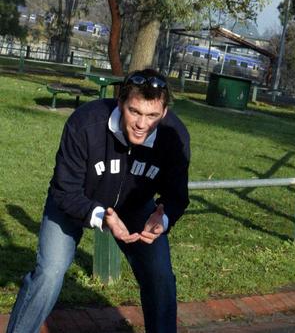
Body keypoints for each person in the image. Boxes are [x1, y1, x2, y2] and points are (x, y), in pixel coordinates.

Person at [8, 68, 190, 333]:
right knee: (50, 272)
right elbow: (64, 189)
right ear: (121, 103)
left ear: (163, 114)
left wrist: (162, 217)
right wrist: (102, 216)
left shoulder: (175, 137)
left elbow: (177, 196)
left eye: (152, 115)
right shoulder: (85, 123)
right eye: (134, 112)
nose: (142, 124)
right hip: (75, 200)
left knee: (160, 276)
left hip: (136, 206)